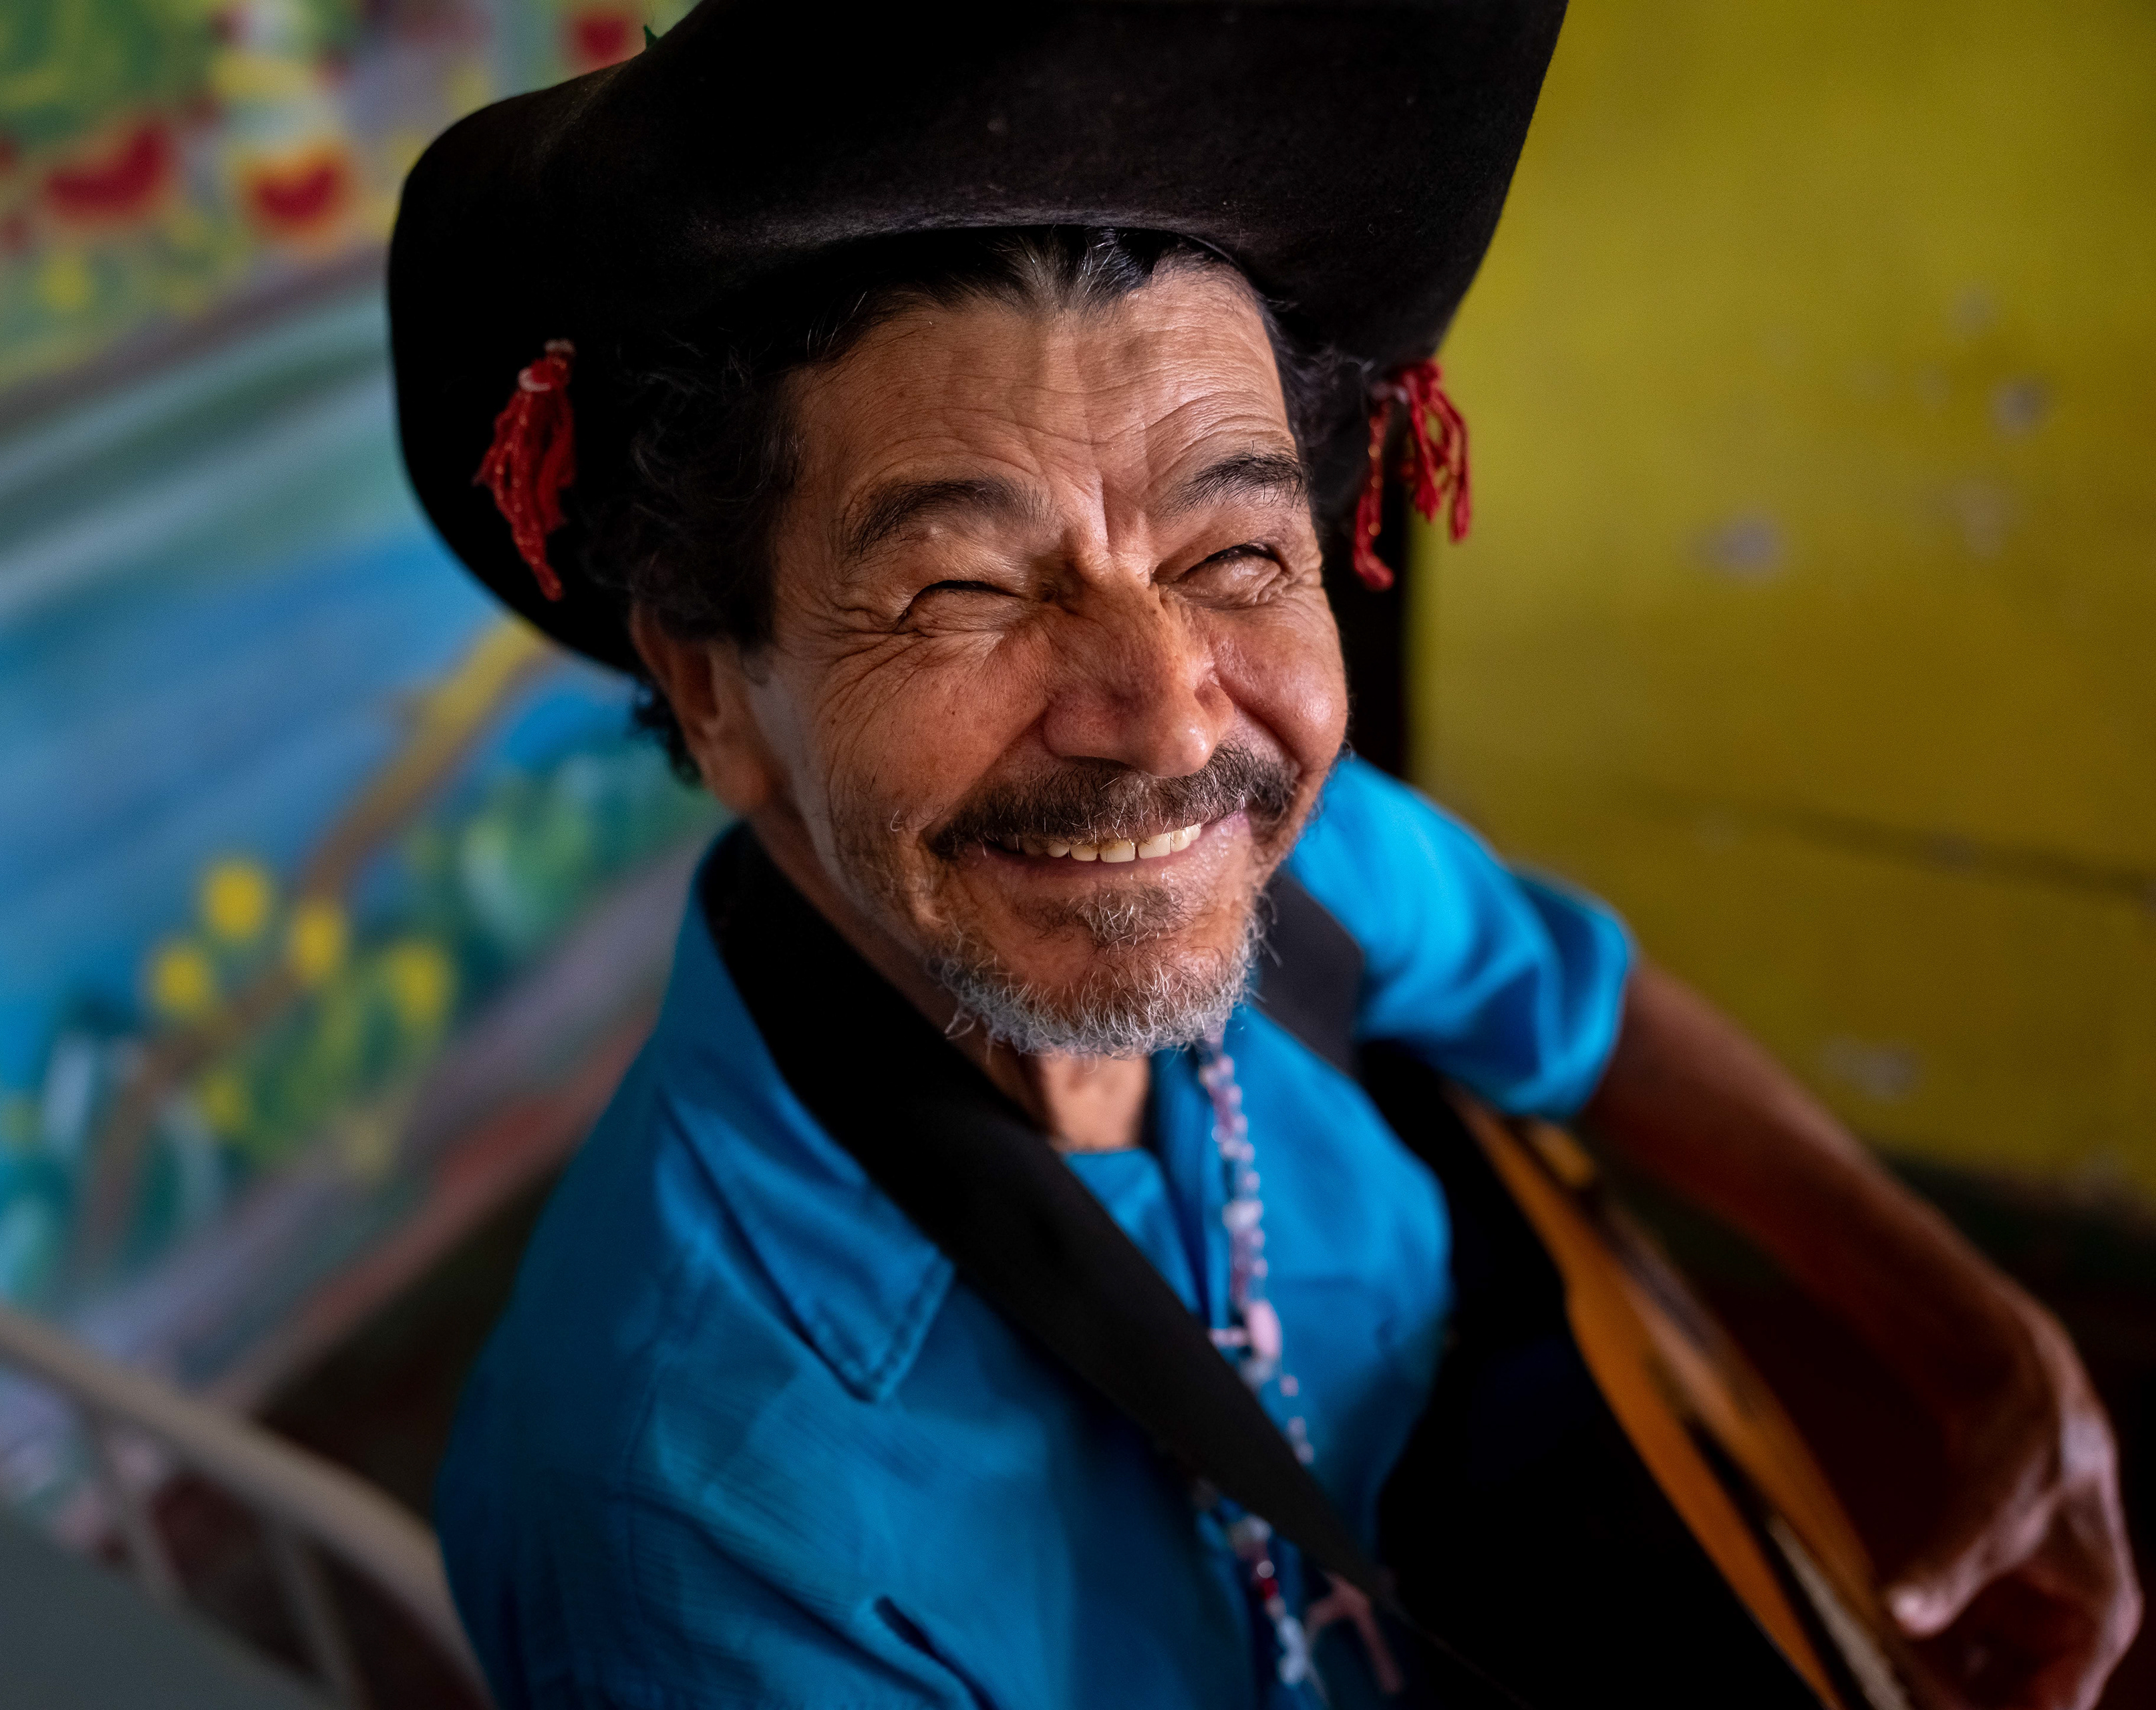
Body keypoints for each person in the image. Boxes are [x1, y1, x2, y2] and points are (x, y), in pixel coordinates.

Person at [387, 5, 2139, 1706]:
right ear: (714, 687)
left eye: (1238, 554)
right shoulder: (706, 1526)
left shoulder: (1298, 869)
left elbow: (1575, 1009)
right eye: (967, 588)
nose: (1166, 716)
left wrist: (1967, 1338)